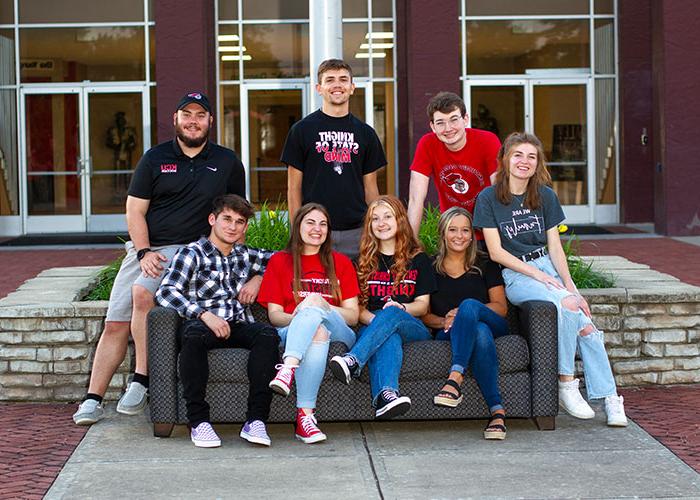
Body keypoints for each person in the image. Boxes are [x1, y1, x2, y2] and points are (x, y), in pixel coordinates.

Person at [73, 92, 247, 426]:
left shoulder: (226, 162)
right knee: (114, 323)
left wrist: (238, 261)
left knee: (143, 294)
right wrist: (143, 252)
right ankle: (93, 399)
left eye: (200, 115)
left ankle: (141, 379)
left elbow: (236, 217)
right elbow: (135, 211)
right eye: (187, 114)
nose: (193, 121)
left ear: (211, 120)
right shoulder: (155, 158)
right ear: (176, 119)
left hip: (196, 253)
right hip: (149, 248)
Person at [473, 131, 628, 427]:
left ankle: (610, 398)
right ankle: (566, 381)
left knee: (585, 324)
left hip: (548, 267)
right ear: (505, 159)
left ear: (538, 162)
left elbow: (555, 247)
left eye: (531, 156)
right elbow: (495, 252)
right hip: (518, 274)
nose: (524, 161)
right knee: (569, 306)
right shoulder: (488, 198)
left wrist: (571, 286)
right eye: (518, 155)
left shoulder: (545, 195)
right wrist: (539, 275)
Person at [155, 194, 279, 448]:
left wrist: (258, 279)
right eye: (227, 219)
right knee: (193, 336)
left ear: (245, 227)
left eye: (239, 222)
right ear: (212, 219)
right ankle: (199, 422)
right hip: (202, 325)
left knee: (267, 335)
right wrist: (204, 315)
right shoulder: (192, 253)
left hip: (237, 323)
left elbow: (284, 262)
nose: (232, 227)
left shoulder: (245, 255)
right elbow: (165, 292)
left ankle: (255, 421)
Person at [258, 203, 360, 444]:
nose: (317, 229)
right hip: (293, 331)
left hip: (340, 330)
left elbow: (353, 316)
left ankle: (287, 369)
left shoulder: (341, 263)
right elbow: (275, 316)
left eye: (323, 224)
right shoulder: (280, 262)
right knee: (317, 330)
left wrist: (318, 305)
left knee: (316, 310)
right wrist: (304, 318)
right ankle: (305, 418)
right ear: (298, 227)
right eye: (311, 223)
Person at [329, 195, 437, 419]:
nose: (381, 223)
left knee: (392, 314)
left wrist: (398, 311)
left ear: (400, 220)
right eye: (375, 219)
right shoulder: (360, 262)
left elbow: (423, 306)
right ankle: (386, 396)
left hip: (412, 326)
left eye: (388, 216)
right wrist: (382, 323)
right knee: (389, 334)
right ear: (369, 225)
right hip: (373, 324)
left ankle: (353, 360)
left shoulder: (418, 259)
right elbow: (357, 308)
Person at [282, 58, 387, 259]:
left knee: (357, 290)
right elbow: (294, 187)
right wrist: (297, 230)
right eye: (330, 80)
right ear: (319, 88)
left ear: (352, 87)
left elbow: (371, 188)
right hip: (316, 231)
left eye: (343, 79)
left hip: (357, 232)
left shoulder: (366, 134)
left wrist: (375, 228)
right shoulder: (301, 131)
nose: (337, 85)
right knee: (315, 289)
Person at [421, 207, 510, 440]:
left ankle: (455, 378)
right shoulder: (430, 267)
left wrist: (464, 312)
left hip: (493, 324)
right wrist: (445, 320)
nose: (459, 236)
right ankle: (497, 411)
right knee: (479, 333)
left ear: (472, 235)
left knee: (470, 306)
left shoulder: (486, 263)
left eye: (465, 230)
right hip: (449, 332)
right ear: (443, 233)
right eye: (452, 230)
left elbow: (501, 307)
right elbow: (424, 315)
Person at [407, 91, 501, 238]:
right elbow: (415, 198)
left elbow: (499, 188)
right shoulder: (427, 144)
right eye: (440, 123)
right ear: (432, 126)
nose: (448, 128)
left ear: (465, 119)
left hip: (488, 229)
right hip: (453, 232)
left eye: (454, 120)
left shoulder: (487, 141)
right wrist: (409, 243)